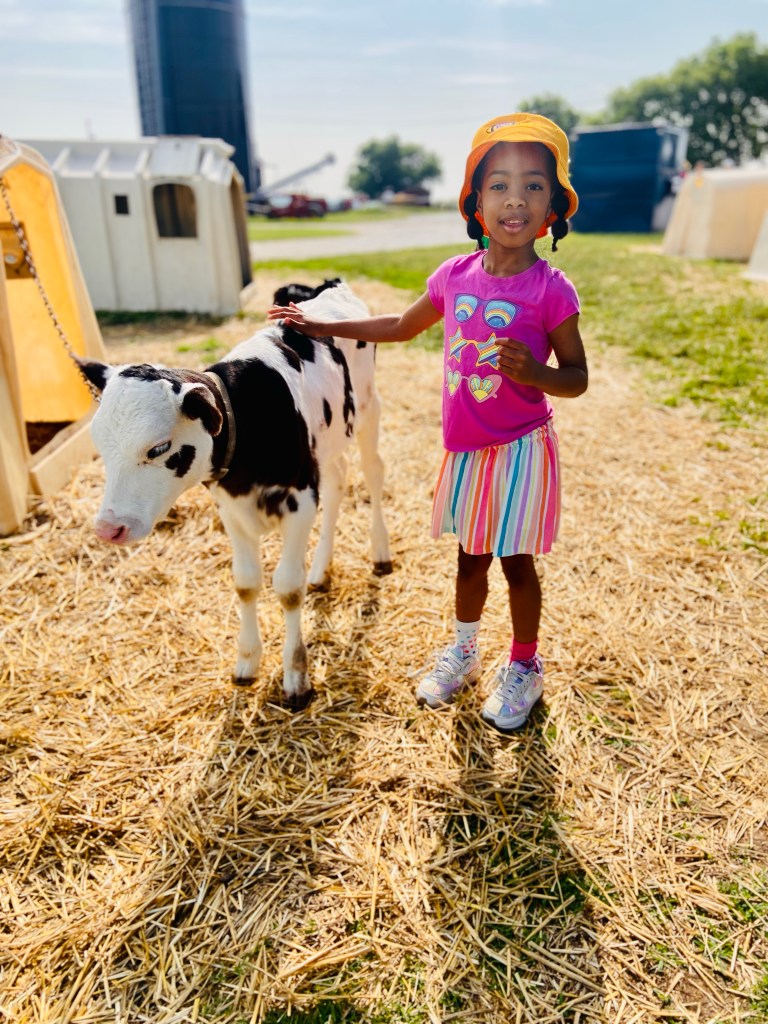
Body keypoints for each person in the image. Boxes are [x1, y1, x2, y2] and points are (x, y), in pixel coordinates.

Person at [268, 113, 588, 732]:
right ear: (475, 203)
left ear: (553, 207)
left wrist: (536, 373)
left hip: (521, 448)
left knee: (515, 563)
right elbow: (398, 325)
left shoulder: (553, 290)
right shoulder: (454, 277)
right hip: (467, 450)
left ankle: (525, 665)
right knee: (470, 559)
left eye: (533, 186)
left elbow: (577, 377)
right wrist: (323, 325)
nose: (515, 199)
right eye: (499, 185)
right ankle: (465, 650)